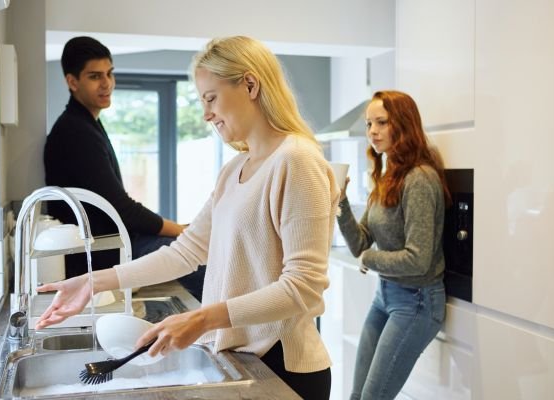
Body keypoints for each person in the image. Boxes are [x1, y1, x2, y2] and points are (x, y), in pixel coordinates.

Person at [36, 35, 340, 400]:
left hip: (283, 366)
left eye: (211, 98)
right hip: (240, 356)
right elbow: (186, 251)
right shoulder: (234, 169)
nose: (206, 113)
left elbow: (302, 287)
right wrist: (93, 282)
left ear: (250, 84)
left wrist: (201, 319)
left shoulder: (297, 160)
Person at [43, 36, 205, 300]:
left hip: (113, 242)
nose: (107, 83)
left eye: (109, 73)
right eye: (95, 76)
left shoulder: (85, 124)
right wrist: (180, 230)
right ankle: (232, 321)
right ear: (72, 82)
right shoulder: (75, 131)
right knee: (188, 252)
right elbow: (122, 208)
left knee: (188, 247)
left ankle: (229, 319)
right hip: (102, 251)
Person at [337, 90, 451, 400]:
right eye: (369, 124)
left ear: (402, 124)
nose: (372, 131)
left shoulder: (419, 179)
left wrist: (369, 259)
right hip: (385, 296)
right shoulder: (388, 177)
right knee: (357, 396)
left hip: (417, 302)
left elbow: (418, 259)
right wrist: (340, 202)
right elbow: (359, 243)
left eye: (381, 122)